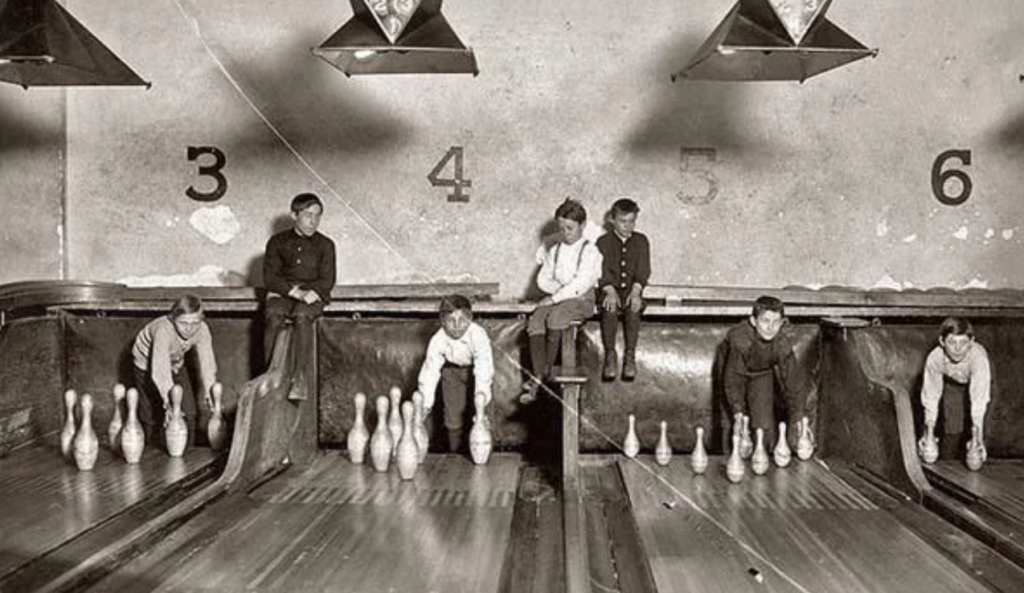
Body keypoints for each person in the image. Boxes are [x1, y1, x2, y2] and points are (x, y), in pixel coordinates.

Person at [521, 198, 603, 403]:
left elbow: (582, 283)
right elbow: (543, 280)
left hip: (582, 299)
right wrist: (557, 293)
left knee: (556, 317)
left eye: (570, 228)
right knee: (536, 319)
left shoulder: (590, 251)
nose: (565, 233)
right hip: (560, 297)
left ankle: (543, 375)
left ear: (583, 226)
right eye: (561, 228)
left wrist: (557, 297)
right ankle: (538, 374)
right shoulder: (555, 250)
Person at [263, 192, 336, 400]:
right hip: (286, 292)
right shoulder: (277, 242)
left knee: (302, 316)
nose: (313, 221)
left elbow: (327, 280)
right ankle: (269, 374)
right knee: (273, 313)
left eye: (317, 215)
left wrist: (312, 293)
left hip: (313, 296)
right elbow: (270, 277)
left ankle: (300, 379)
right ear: (294, 215)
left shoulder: (326, 245)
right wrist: (295, 292)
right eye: (307, 215)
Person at [132, 294, 218, 448]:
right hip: (145, 365)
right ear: (172, 319)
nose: (189, 328)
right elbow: (160, 371)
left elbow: (207, 362)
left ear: (201, 319)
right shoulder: (163, 330)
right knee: (151, 415)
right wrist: (169, 402)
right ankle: (150, 453)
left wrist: (209, 391)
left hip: (175, 363)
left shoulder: (203, 329)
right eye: (183, 323)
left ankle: (189, 452)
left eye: (195, 323)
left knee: (189, 412)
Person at [722, 295, 808, 449]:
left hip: (761, 372)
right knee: (735, 427)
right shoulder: (739, 341)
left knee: (764, 427)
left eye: (776, 322)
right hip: (731, 372)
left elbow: (794, 384)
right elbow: (733, 381)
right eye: (765, 321)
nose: (771, 327)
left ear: (782, 322)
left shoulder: (782, 344)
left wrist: (799, 420)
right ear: (753, 321)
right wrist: (738, 412)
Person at [417, 295, 494, 453]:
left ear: (470, 318)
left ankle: (485, 456)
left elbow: (483, 369)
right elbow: (430, 372)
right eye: (451, 320)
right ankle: (454, 457)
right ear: (442, 321)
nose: (457, 326)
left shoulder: (478, 335)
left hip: (476, 373)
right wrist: (425, 405)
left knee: (483, 417)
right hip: (451, 372)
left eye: (463, 320)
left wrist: (482, 400)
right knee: (453, 418)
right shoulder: (437, 340)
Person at [919, 317, 991, 460]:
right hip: (952, 383)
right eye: (952, 342)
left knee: (982, 428)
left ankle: (981, 450)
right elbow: (930, 397)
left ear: (971, 342)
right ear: (942, 341)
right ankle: (947, 463)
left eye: (963, 343)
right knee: (952, 427)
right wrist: (928, 433)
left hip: (980, 384)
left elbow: (978, 402)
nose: (958, 349)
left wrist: (978, 439)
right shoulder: (934, 358)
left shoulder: (979, 359)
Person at [596, 198, 651, 381]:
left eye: (631, 221)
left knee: (633, 309)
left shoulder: (641, 241)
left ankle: (630, 356)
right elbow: (600, 270)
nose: (628, 226)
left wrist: (636, 292)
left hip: (632, 290)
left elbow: (643, 270)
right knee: (609, 310)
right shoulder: (603, 242)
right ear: (612, 220)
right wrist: (609, 291)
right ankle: (610, 356)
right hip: (609, 290)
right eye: (623, 221)